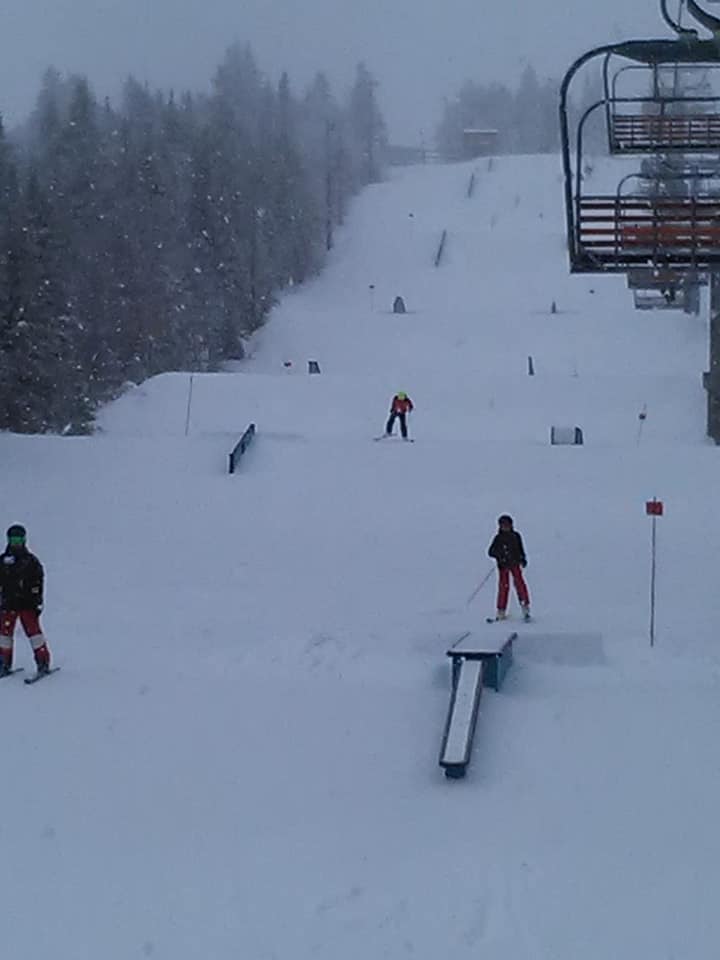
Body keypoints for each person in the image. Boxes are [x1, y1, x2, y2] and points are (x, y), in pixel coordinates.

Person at [0, 525, 51, 676]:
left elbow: (38, 582)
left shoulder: (30, 561)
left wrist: (37, 601)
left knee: (34, 633)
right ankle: (4, 663)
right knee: (4, 634)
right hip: (8, 603)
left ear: (24, 540)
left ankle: (43, 662)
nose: (16, 543)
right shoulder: (3, 561)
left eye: (19, 540)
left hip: (27, 604)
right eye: (13, 540)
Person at [487, 514, 531, 621]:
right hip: (503, 566)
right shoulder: (498, 538)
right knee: (503, 587)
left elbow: (520, 549)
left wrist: (522, 559)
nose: (505, 527)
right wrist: (500, 556)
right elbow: (491, 552)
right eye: (503, 525)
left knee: (520, 584)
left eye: (507, 525)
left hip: (515, 564)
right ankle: (501, 610)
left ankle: (525, 607)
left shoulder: (515, 536)